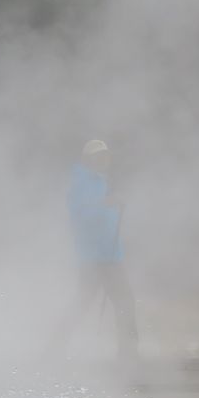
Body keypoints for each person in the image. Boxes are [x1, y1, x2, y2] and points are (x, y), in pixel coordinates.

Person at [52, 139, 139, 359]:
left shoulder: (100, 181)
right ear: (87, 159)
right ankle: (128, 356)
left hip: (108, 254)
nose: (103, 160)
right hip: (95, 256)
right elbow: (79, 216)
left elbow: (101, 211)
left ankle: (55, 347)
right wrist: (108, 202)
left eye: (105, 156)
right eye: (98, 156)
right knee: (119, 301)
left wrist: (111, 203)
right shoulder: (81, 182)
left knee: (103, 301)